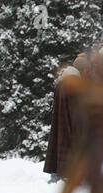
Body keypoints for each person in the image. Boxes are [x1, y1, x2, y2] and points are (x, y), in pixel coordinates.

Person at [43, 53, 90, 182]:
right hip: (70, 121)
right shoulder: (74, 82)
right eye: (86, 70)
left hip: (61, 120)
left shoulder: (63, 81)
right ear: (82, 69)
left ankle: (58, 173)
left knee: (59, 141)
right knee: (71, 143)